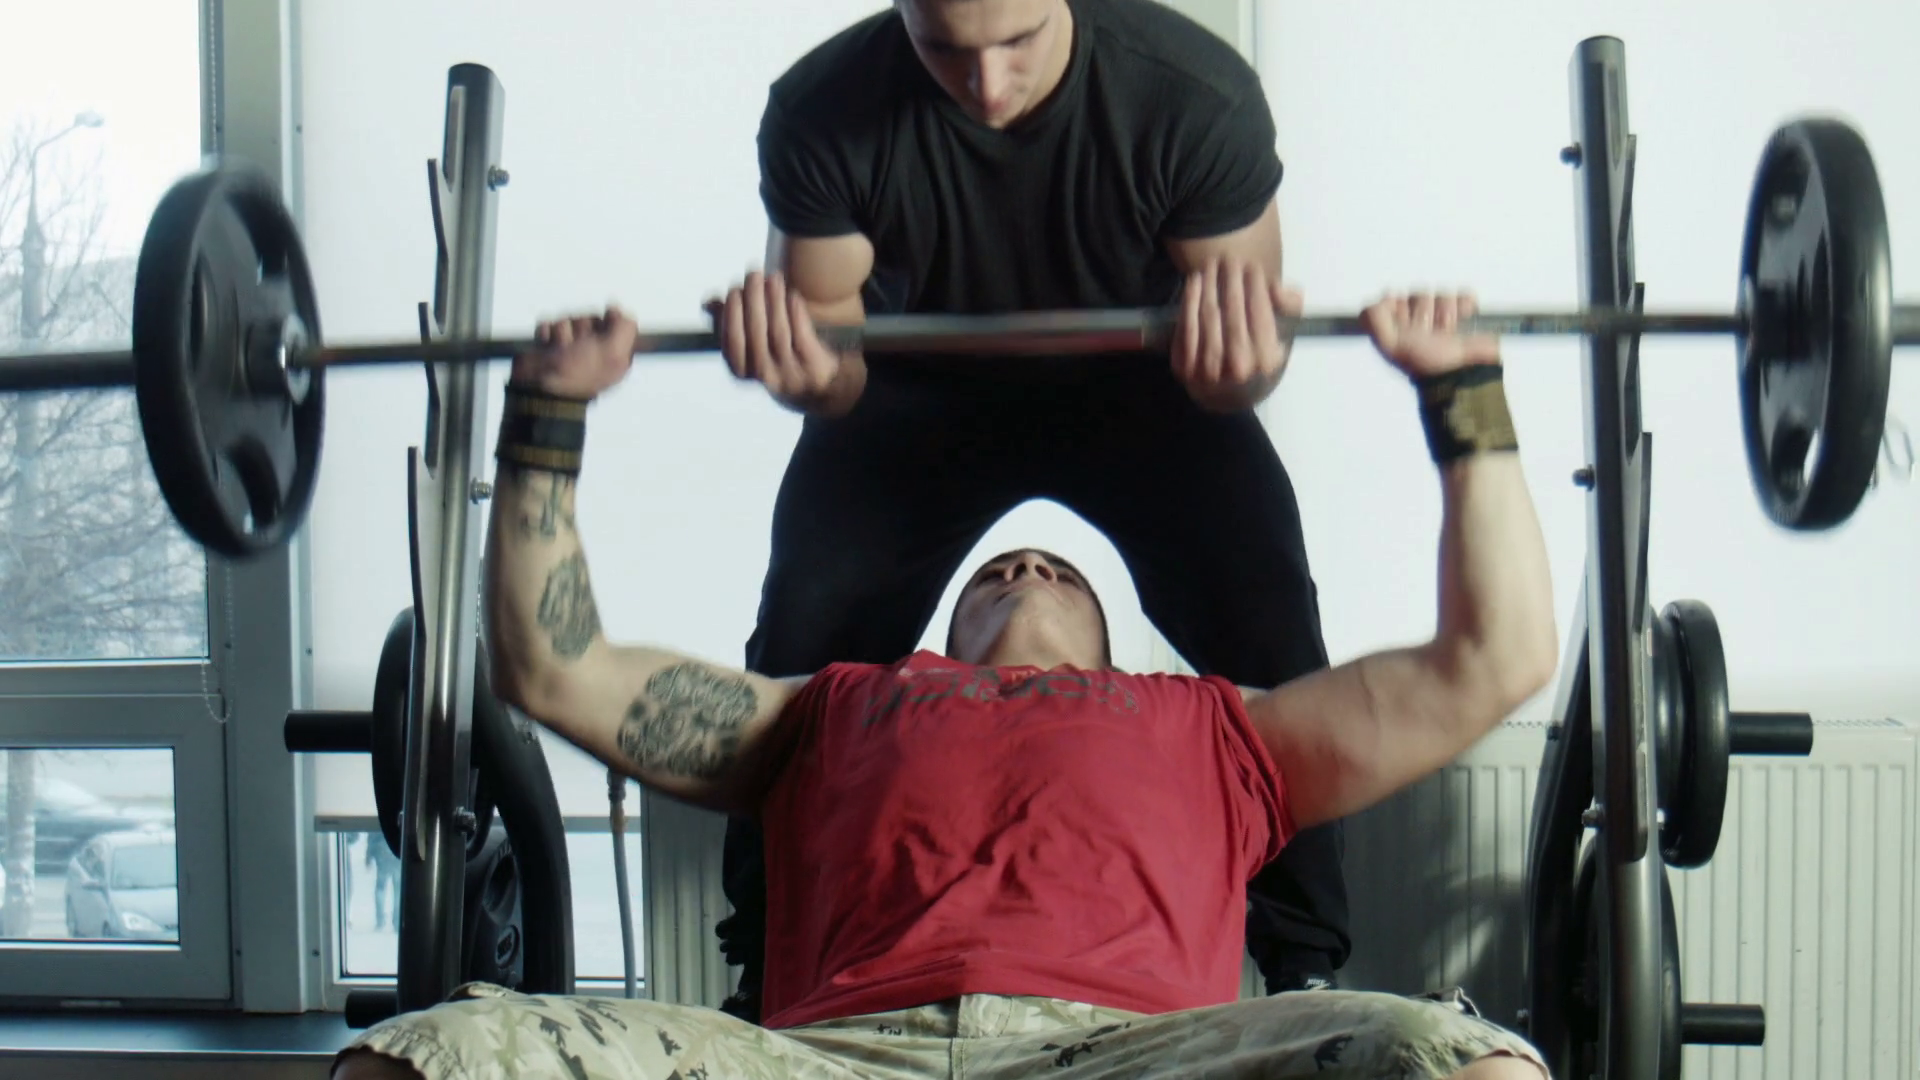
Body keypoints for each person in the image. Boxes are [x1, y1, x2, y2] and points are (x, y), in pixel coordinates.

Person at [329, 291, 1559, 1080]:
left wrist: (1464, 393)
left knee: (1471, 1065)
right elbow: (554, 668)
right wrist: (546, 411)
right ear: (943, 624)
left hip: (1132, 1057)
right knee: (424, 1056)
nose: (1023, 566)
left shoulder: (1218, 730)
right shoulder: (829, 707)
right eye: (995, 569)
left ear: (1114, 642)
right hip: (832, 1060)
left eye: (1055, 569)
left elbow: (1495, 659)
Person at [712, 0, 1348, 1021]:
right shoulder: (822, 110)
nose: (988, 87)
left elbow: (1239, 377)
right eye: (948, 53)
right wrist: (798, 366)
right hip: (915, 400)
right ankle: (759, 966)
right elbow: (833, 376)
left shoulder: (1195, 98)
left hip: (1142, 392)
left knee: (1272, 626)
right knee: (801, 639)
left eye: (1017, 46)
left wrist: (1237, 365)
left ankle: (1306, 970)